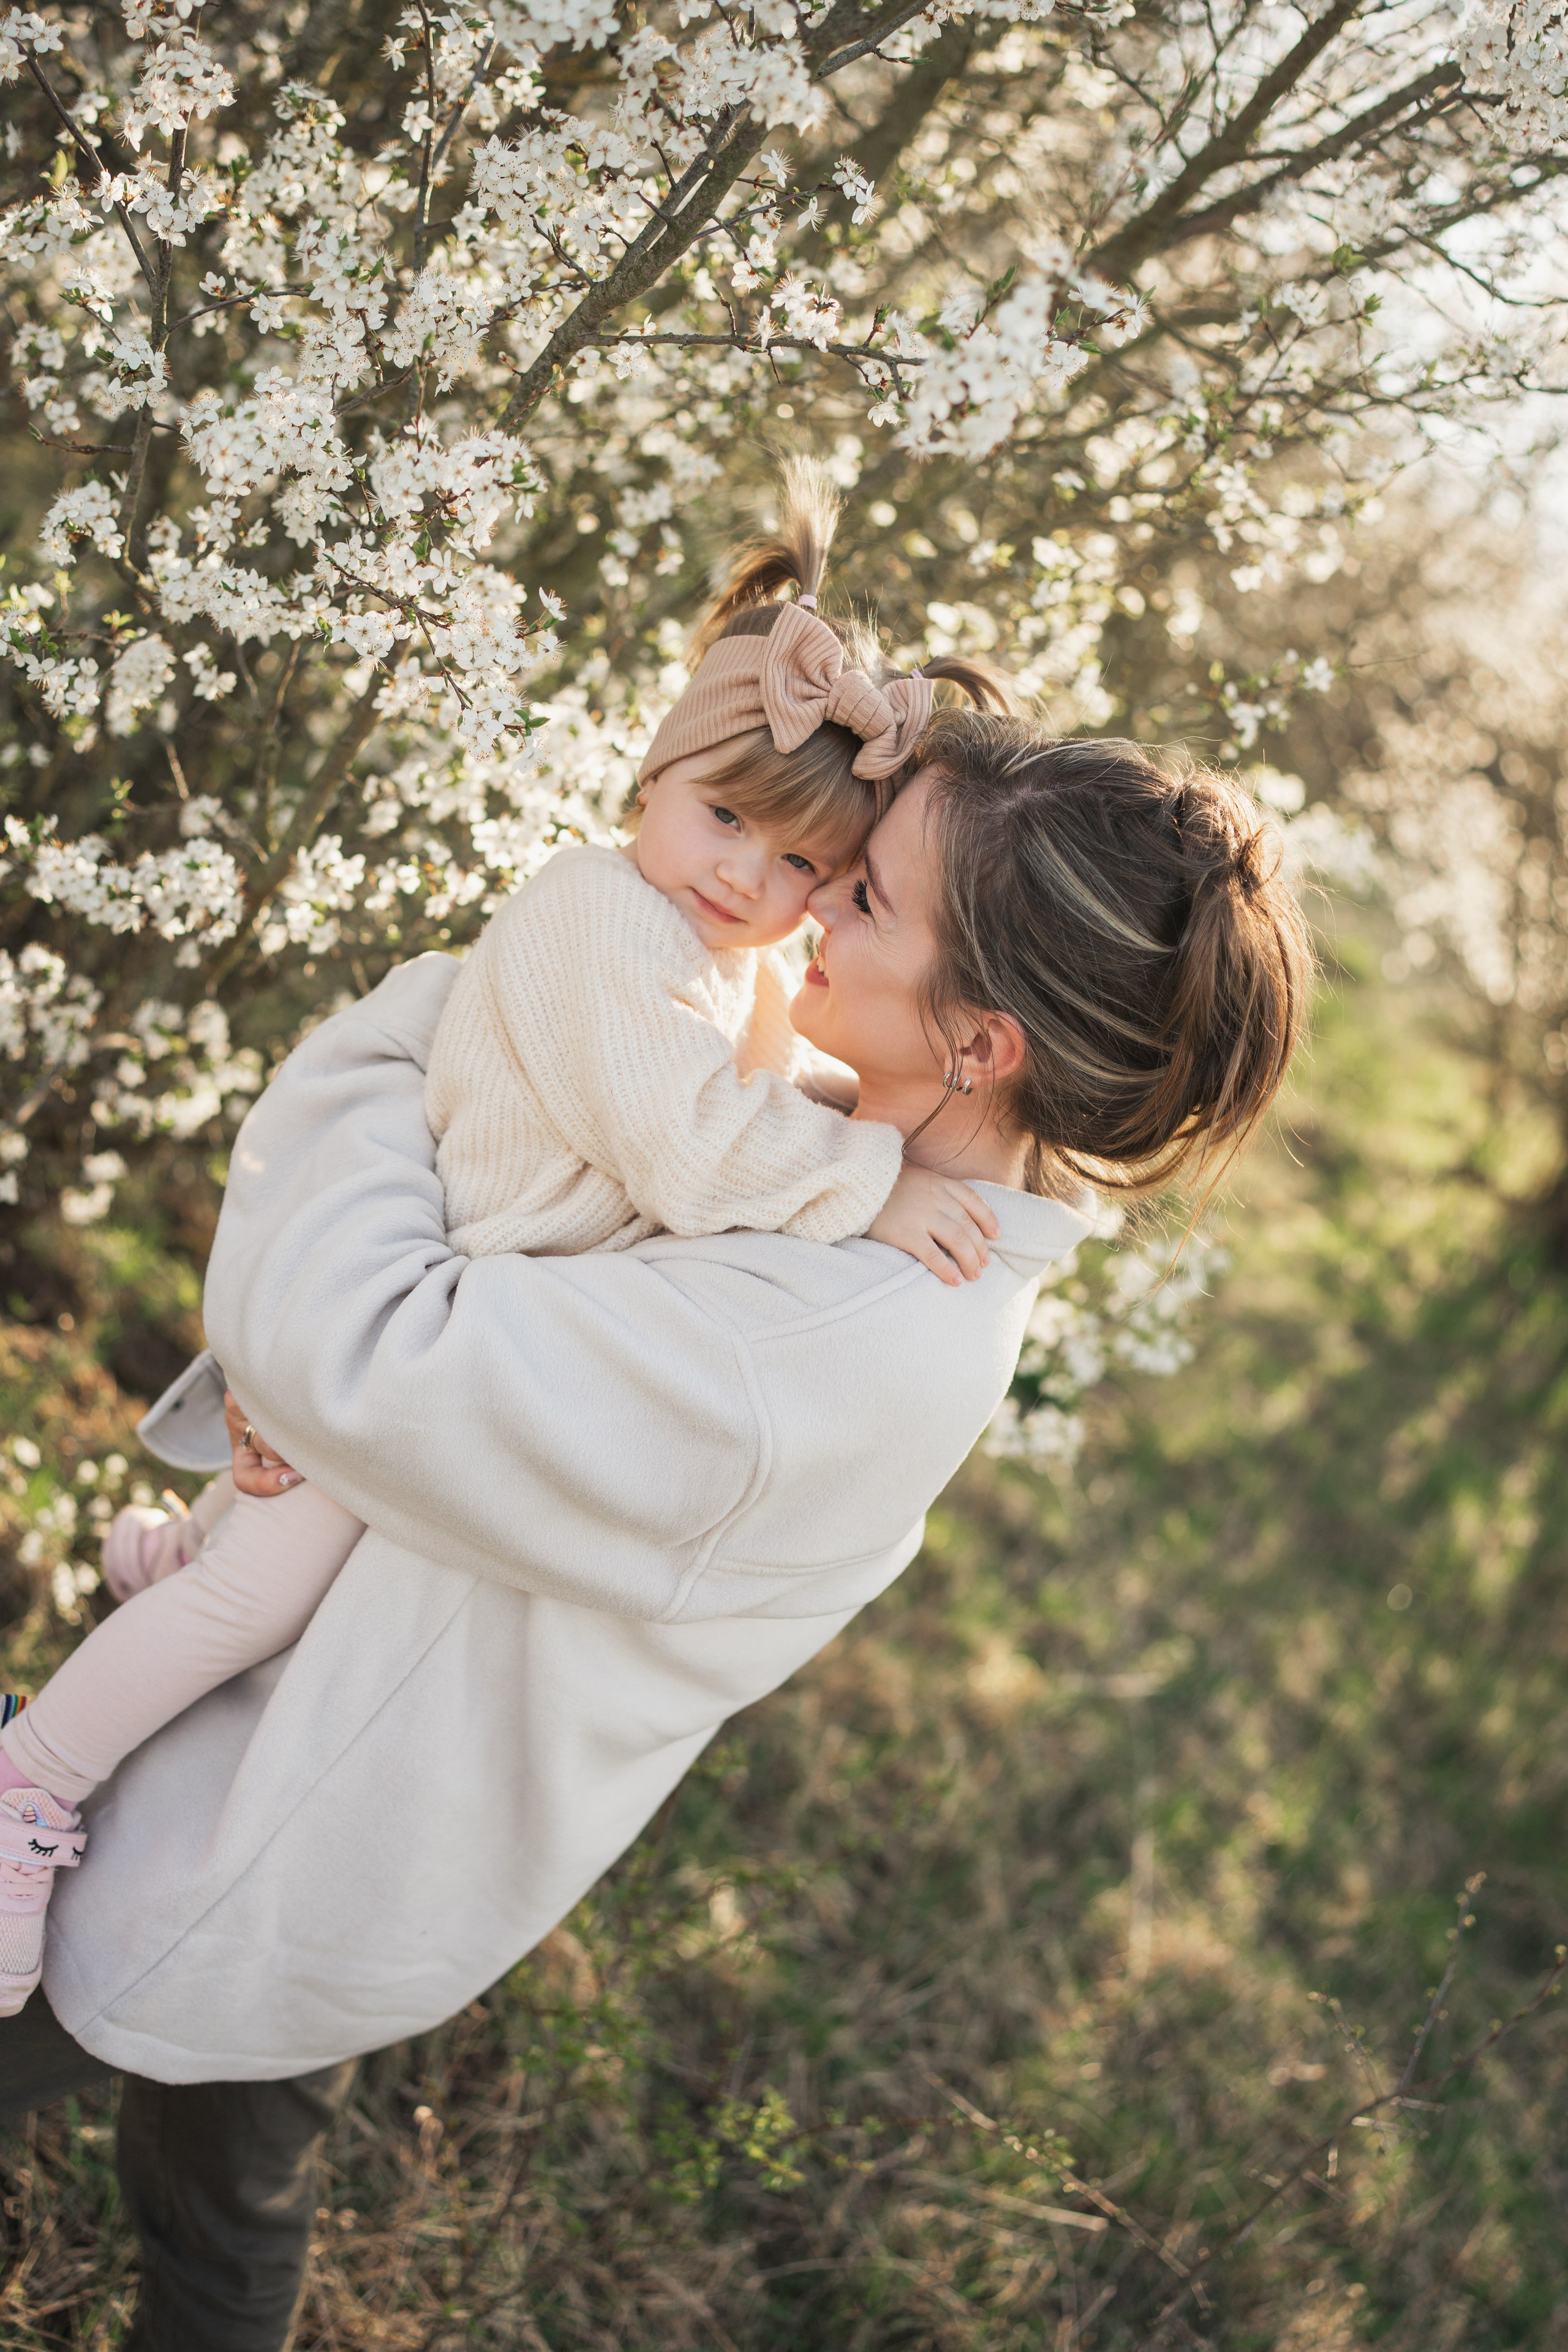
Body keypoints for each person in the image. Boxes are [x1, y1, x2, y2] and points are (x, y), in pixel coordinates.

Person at [1, 668, 1311, 2352]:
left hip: (256, 1820)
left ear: (984, 1042)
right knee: (224, 2205)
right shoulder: (833, 1157)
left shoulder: (828, 1345)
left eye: (871, 892)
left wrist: (461, 1015)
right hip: (304, 1776)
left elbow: (357, 1349)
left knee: (216, 2178)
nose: (814, 897)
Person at [0, 466, 1006, 2013]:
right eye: (723, 818)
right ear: (651, 783)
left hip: (445, 1309)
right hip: (418, 1303)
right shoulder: (600, 917)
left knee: (266, 1568)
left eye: (803, 867)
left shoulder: (716, 961)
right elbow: (685, 1141)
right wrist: (872, 1179)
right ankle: (30, 1787)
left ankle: (163, 1561)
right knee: (255, 1598)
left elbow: (719, 1098)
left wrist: (838, 1111)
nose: (750, 876)